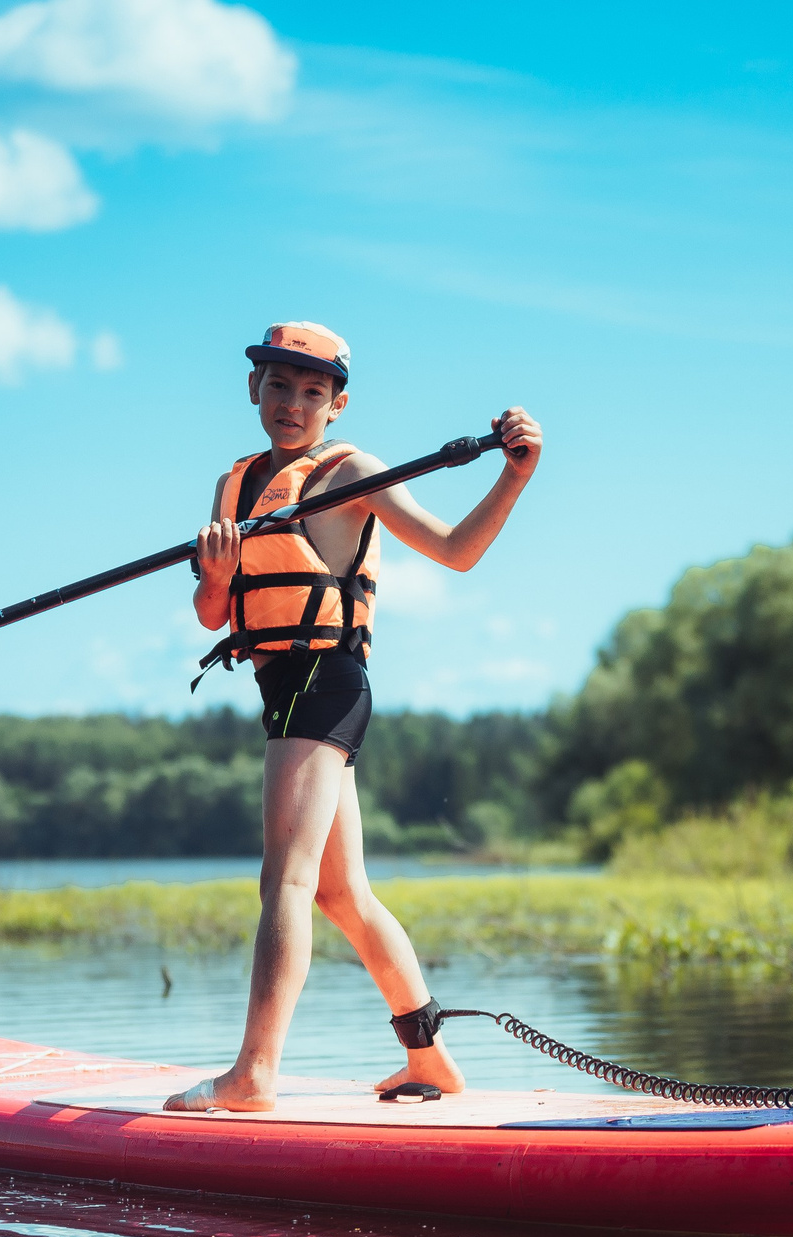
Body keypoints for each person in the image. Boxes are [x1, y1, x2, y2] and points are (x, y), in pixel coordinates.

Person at [167, 322, 540, 1113]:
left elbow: (456, 550)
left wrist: (513, 477)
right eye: (279, 386)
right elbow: (211, 616)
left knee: (286, 882)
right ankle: (429, 1059)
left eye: (312, 392)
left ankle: (254, 1074)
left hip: (324, 681)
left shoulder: (353, 471)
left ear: (338, 405)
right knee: (340, 893)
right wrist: (218, 570)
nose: (292, 404)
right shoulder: (232, 487)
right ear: (253, 391)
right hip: (284, 689)